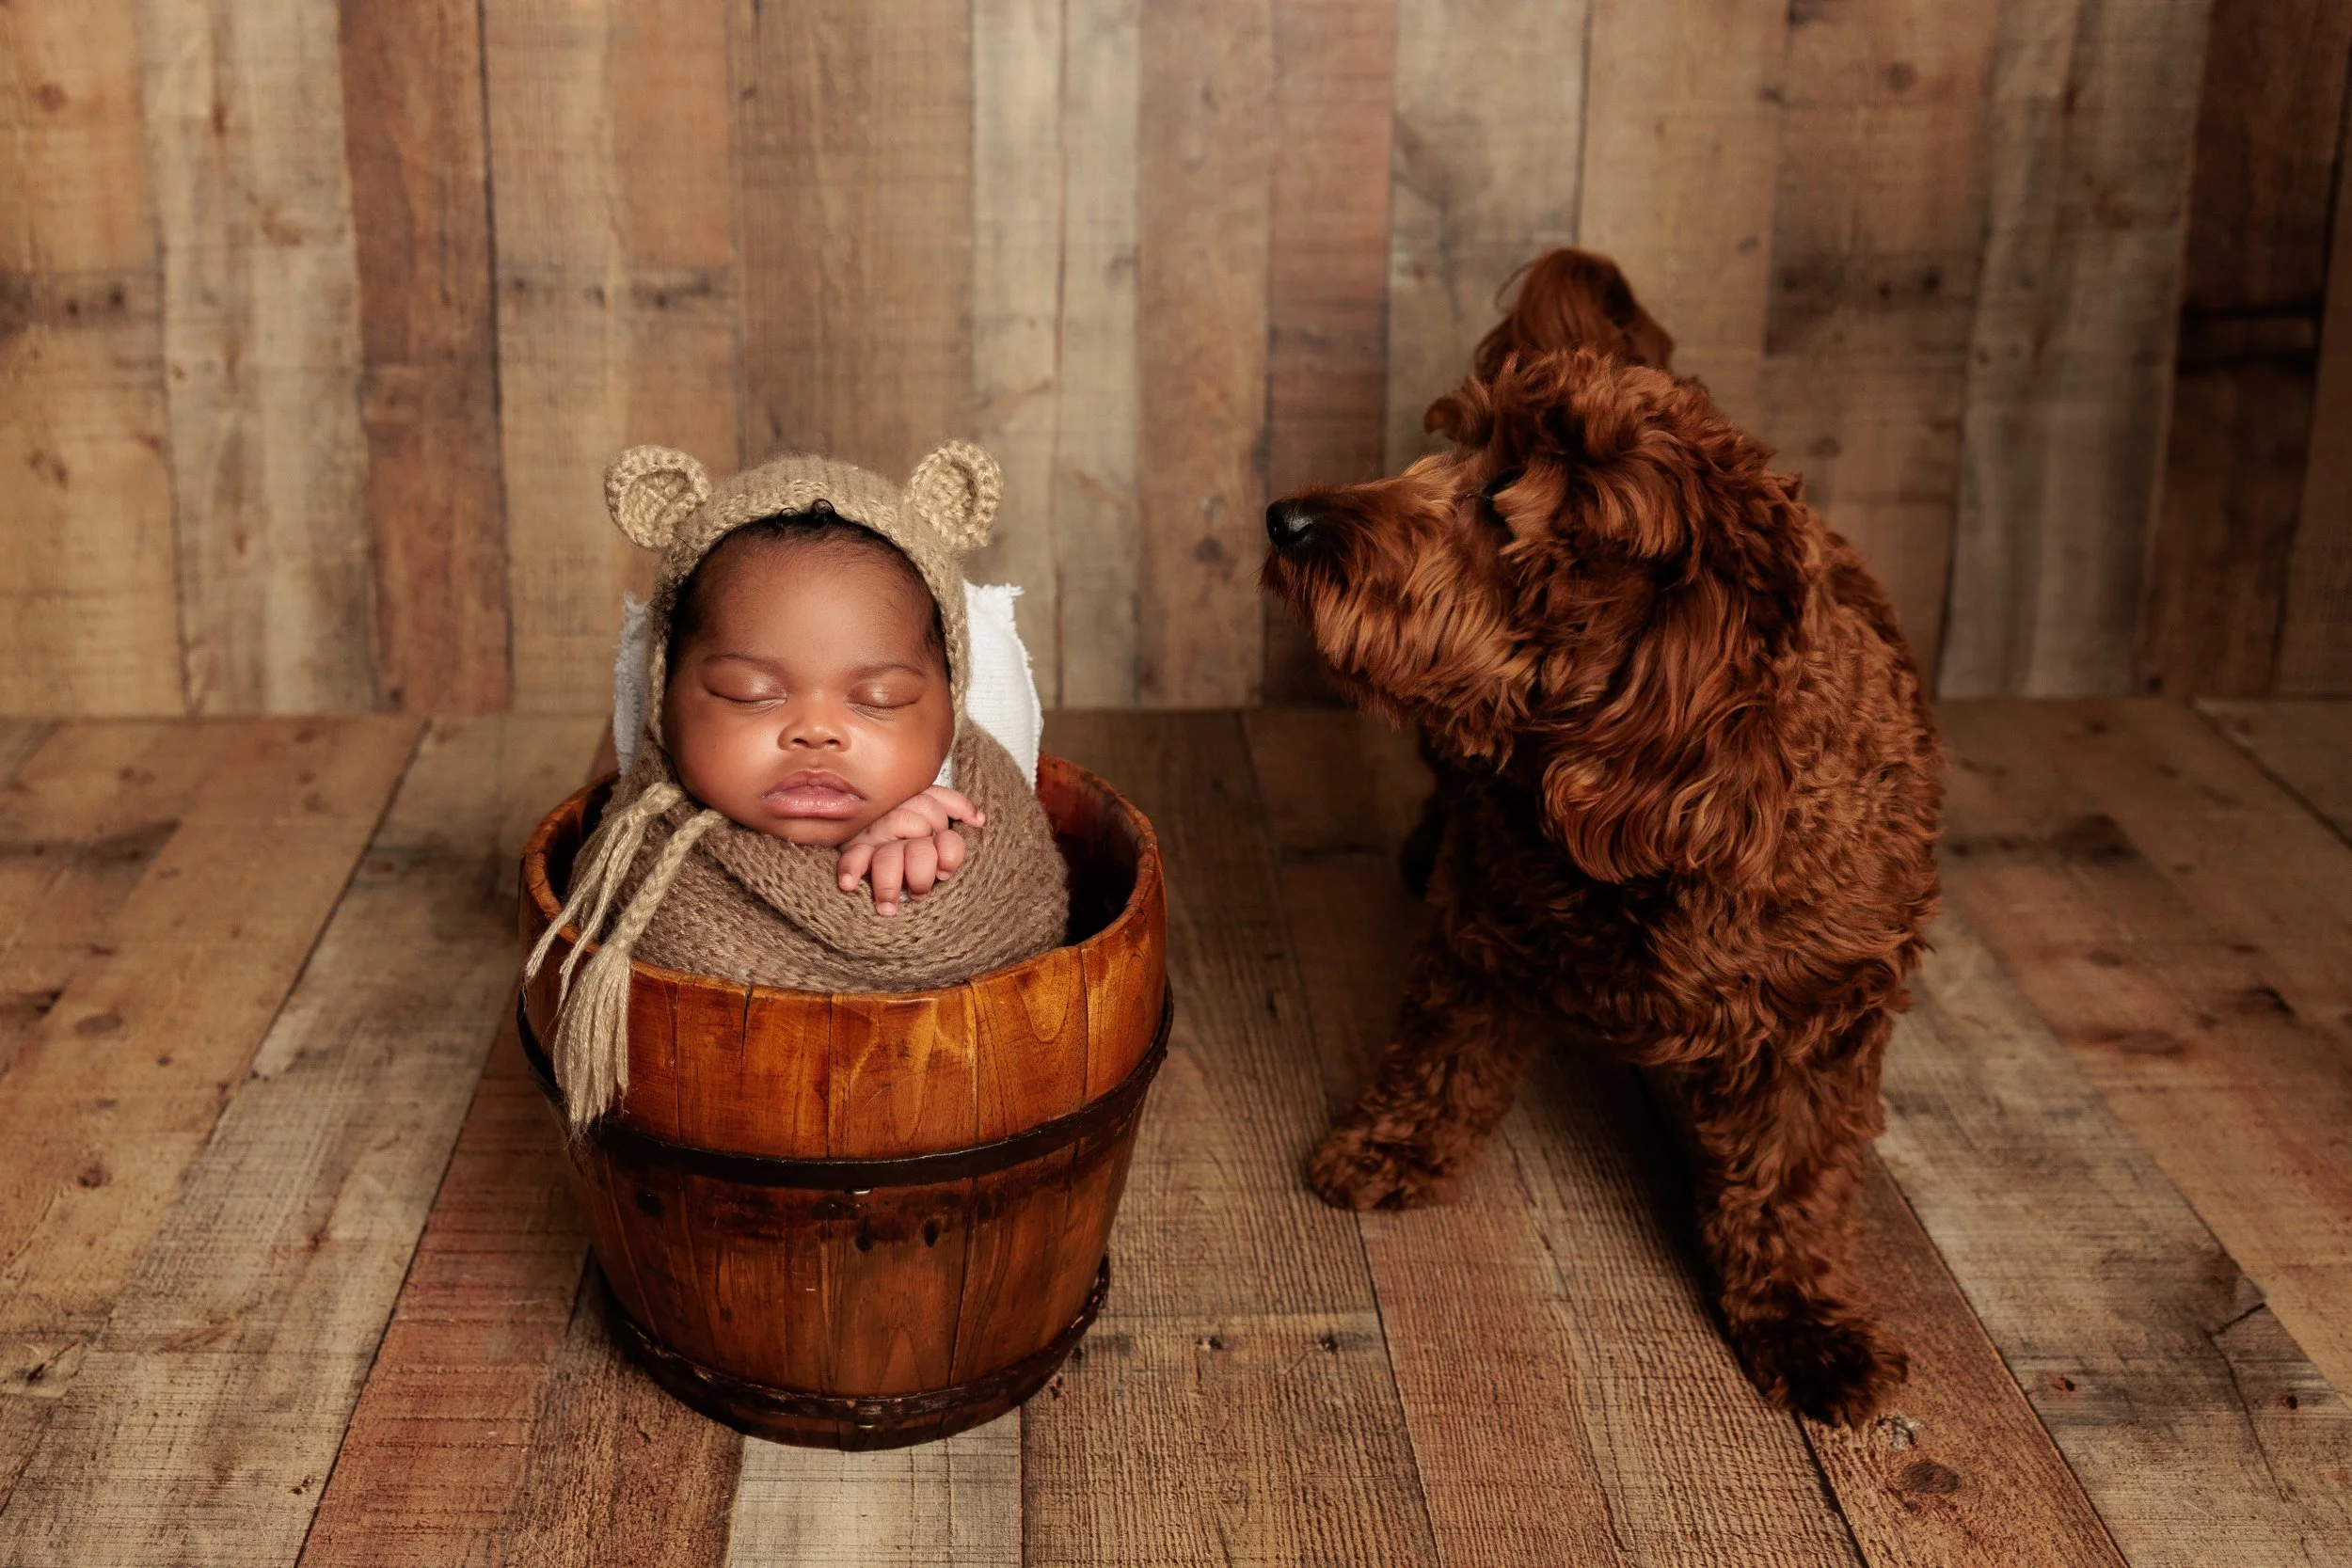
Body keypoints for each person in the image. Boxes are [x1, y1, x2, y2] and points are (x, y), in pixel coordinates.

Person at [523, 441, 1070, 1129]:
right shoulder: (640, 849)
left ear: (949, 715)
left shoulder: (962, 816)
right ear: (663, 700)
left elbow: (1012, 915)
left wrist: (918, 868)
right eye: (748, 693)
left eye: (879, 697)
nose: (816, 731)